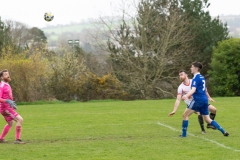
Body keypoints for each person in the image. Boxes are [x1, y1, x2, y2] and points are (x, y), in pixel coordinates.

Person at [175, 62, 228, 137]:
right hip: (204, 99)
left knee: (185, 115)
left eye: (192, 67)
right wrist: (208, 97)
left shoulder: (195, 78)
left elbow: (193, 90)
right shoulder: (202, 77)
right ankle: (223, 131)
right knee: (207, 119)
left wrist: (186, 95)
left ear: (196, 69)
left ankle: (183, 135)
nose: (191, 68)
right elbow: (204, 89)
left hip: (197, 100)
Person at [0, 69, 25, 144]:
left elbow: (8, 96)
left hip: (7, 108)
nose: (8, 75)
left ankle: (1, 139)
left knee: (10, 123)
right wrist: (7, 101)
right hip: (5, 108)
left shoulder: (7, 84)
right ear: (1, 77)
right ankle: (17, 140)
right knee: (20, 119)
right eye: (5, 75)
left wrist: (12, 104)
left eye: (8, 74)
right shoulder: (1, 86)